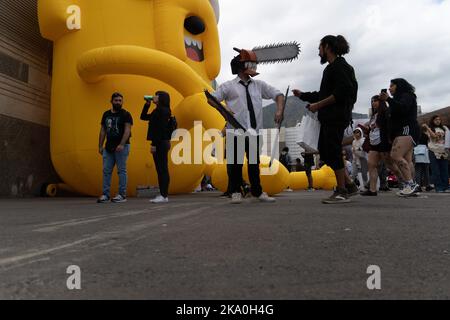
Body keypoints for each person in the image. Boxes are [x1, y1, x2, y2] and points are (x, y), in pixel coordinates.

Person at [211, 48, 285, 204]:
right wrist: (224, 109)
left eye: (254, 64)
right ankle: (235, 192)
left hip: (254, 132)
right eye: (250, 64)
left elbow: (278, 94)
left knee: (254, 163)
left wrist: (279, 110)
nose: (253, 67)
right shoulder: (228, 86)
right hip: (234, 131)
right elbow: (211, 99)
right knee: (234, 164)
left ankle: (257, 192)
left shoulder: (259, 85)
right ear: (240, 66)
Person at [293, 35, 359, 204]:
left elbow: (342, 92)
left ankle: (342, 190)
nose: (318, 52)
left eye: (319, 48)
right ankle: (349, 185)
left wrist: (318, 105)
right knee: (327, 150)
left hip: (336, 117)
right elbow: (323, 94)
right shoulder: (333, 68)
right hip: (332, 116)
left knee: (333, 150)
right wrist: (303, 96)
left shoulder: (339, 67)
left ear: (327, 47)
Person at [380, 79, 421, 196]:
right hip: (403, 131)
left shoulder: (407, 95)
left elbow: (402, 108)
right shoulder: (397, 99)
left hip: (407, 130)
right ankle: (412, 185)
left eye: (392, 85)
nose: (389, 88)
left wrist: (388, 99)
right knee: (407, 160)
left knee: (395, 155)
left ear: (399, 86)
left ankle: (410, 184)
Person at [98, 92, 133, 203]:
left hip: (122, 147)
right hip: (109, 147)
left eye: (120, 100)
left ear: (122, 102)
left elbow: (128, 130)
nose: (118, 102)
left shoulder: (126, 114)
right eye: (116, 100)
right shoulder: (106, 114)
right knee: (106, 170)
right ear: (111, 101)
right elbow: (103, 130)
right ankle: (105, 194)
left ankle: (122, 195)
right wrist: (100, 145)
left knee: (121, 171)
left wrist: (122, 144)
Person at [361, 95, 396, 196]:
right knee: (371, 165)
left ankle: (407, 183)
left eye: (375, 101)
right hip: (374, 143)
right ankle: (372, 190)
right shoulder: (374, 115)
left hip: (383, 141)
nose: (373, 103)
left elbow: (388, 125)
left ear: (381, 101)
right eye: (372, 101)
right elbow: (374, 129)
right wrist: (367, 130)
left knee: (390, 165)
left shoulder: (385, 112)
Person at [141, 91, 172, 203]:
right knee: (160, 169)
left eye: (157, 95)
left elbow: (160, 130)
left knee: (162, 168)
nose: (154, 96)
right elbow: (143, 117)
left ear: (161, 98)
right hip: (161, 142)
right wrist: (147, 105)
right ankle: (163, 194)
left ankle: (164, 195)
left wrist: (153, 144)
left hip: (160, 142)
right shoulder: (158, 111)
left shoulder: (162, 111)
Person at [423, 116, 449, 193]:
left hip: (443, 151)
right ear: (432, 121)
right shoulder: (429, 129)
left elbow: (447, 138)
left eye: (439, 119)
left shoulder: (444, 128)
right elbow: (434, 137)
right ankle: (439, 187)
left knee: (444, 169)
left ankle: (446, 186)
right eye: (436, 120)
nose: (438, 121)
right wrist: (427, 127)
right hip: (433, 150)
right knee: (435, 170)